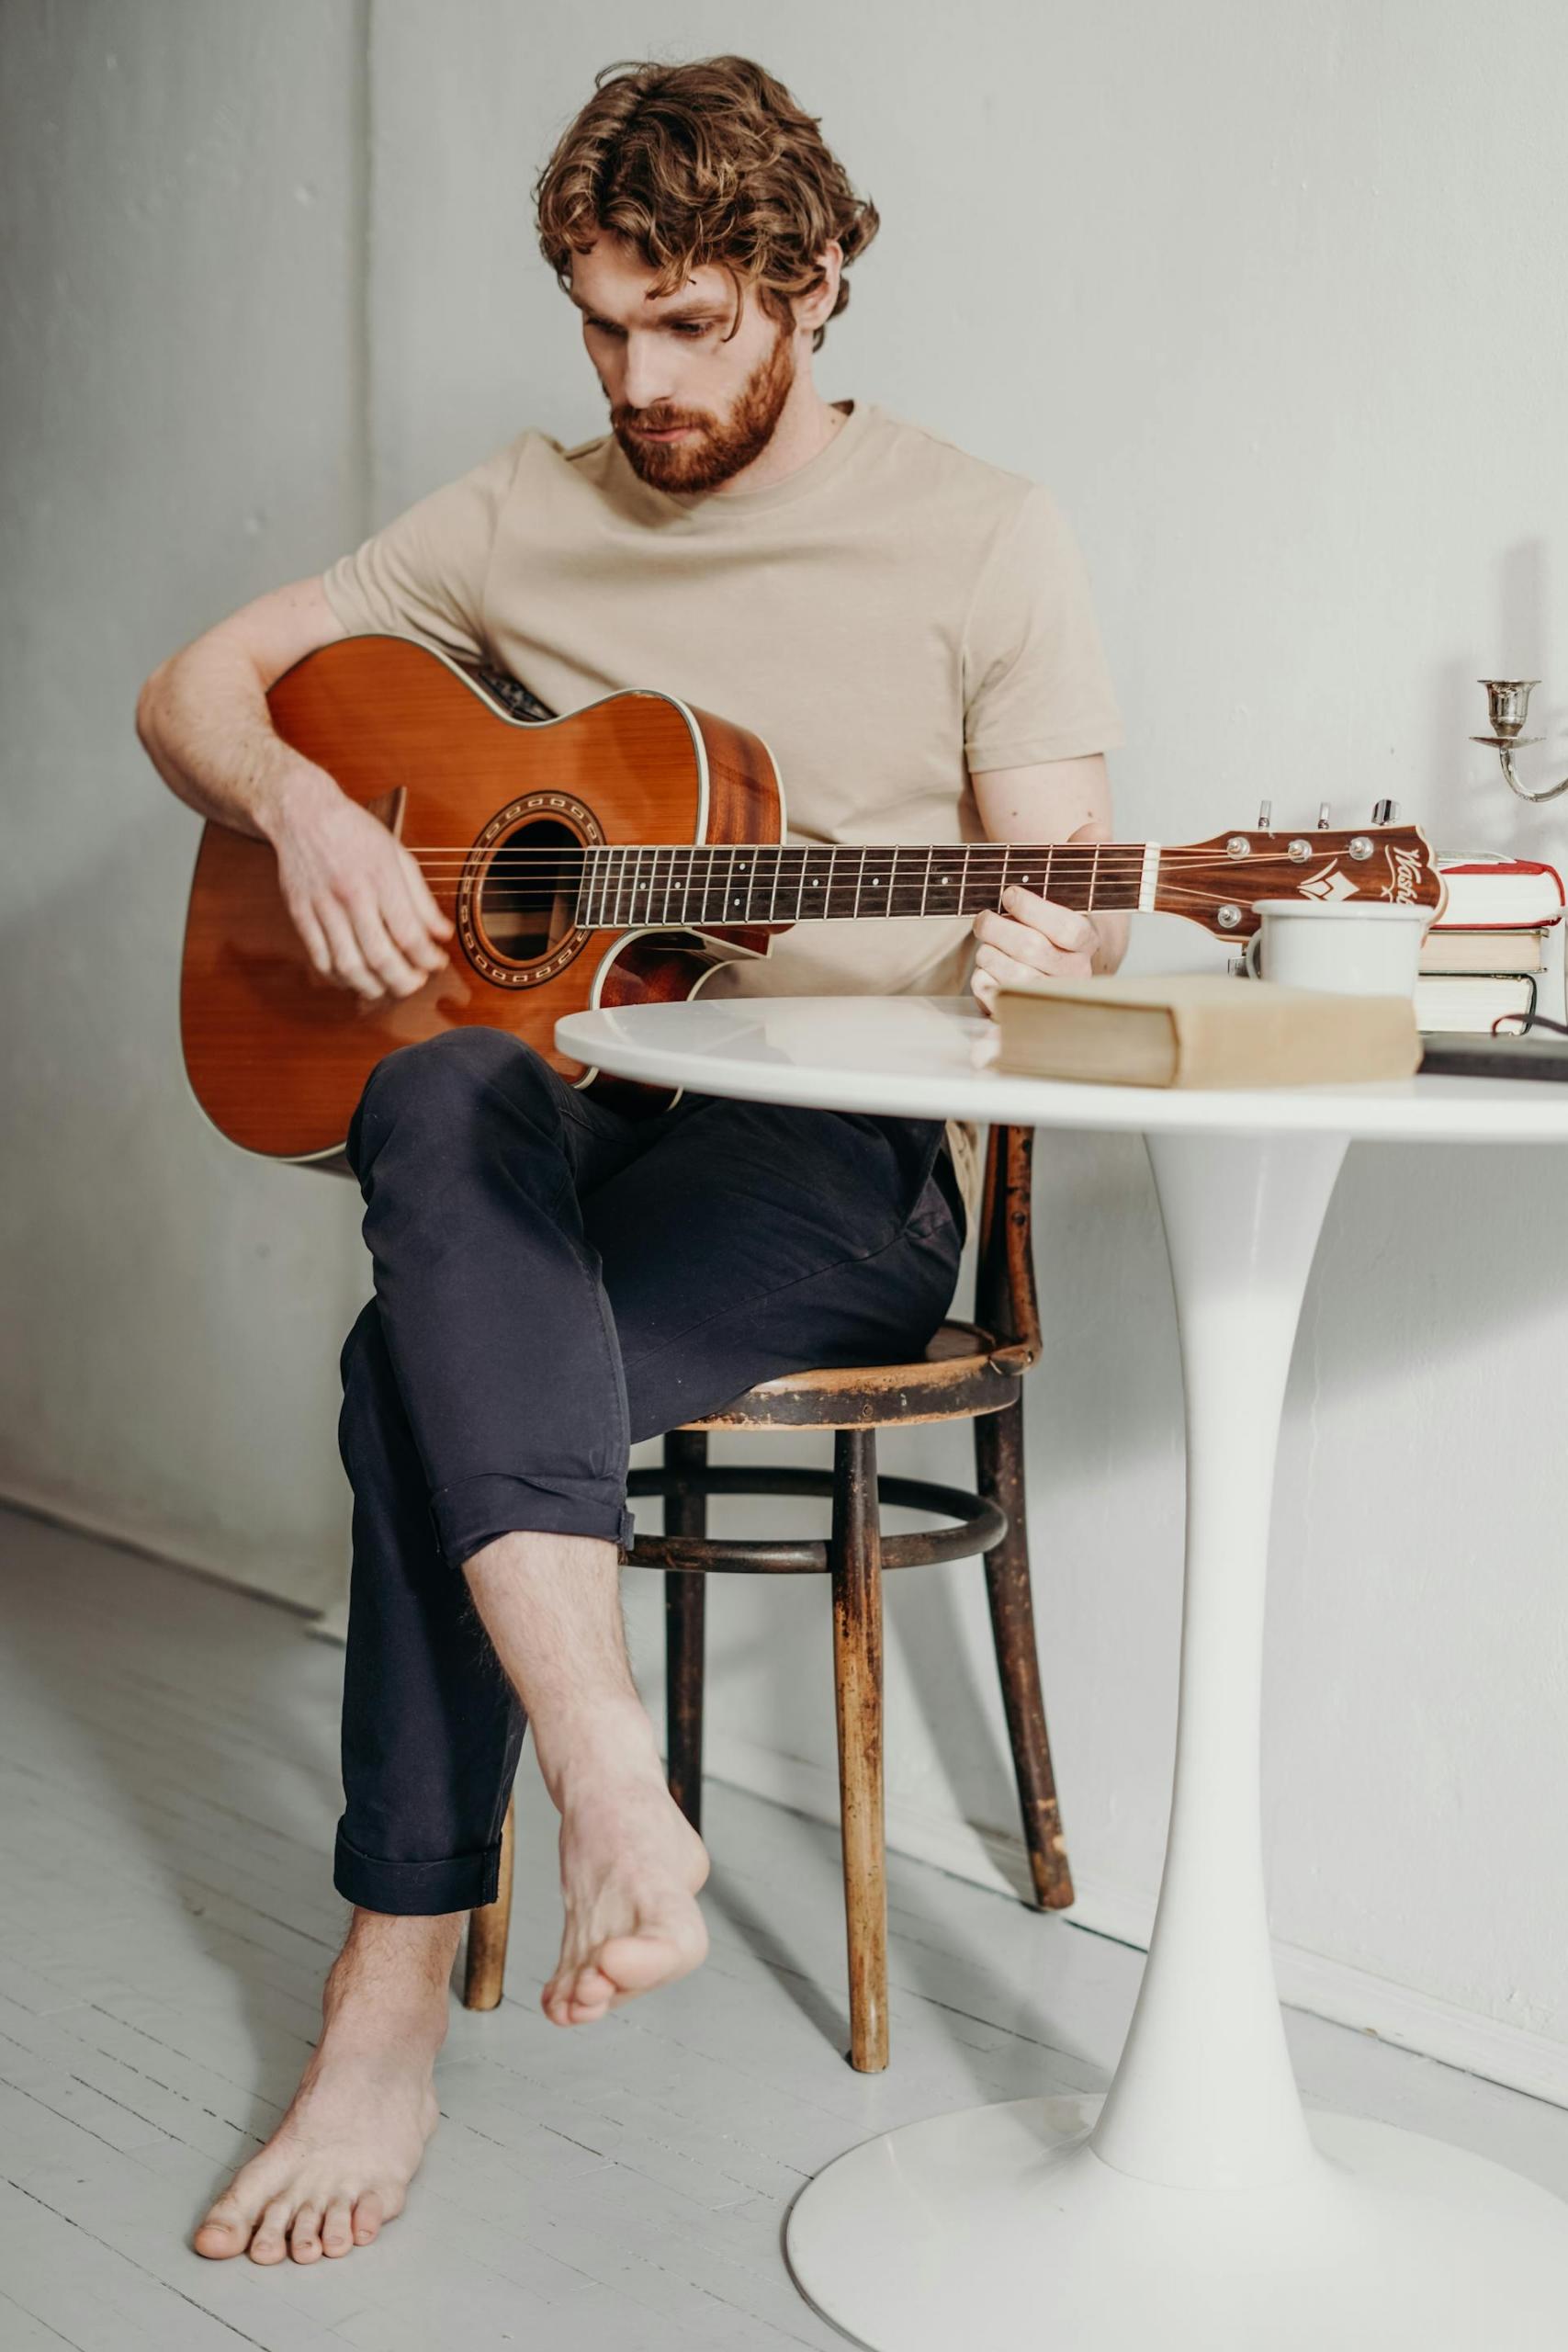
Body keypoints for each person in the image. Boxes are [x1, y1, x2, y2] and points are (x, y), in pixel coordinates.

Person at [135, 52, 1127, 2267]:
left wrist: (1063, 922)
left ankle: (381, 1995)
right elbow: (200, 688)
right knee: (429, 1089)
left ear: (813, 281)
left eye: (689, 324)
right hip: (569, 1127)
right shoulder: (517, 504)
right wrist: (298, 806)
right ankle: (610, 1779)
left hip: (826, 1163)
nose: (640, 379)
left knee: (418, 1374)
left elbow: (1068, 893)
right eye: (602, 322)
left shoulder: (985, 532)